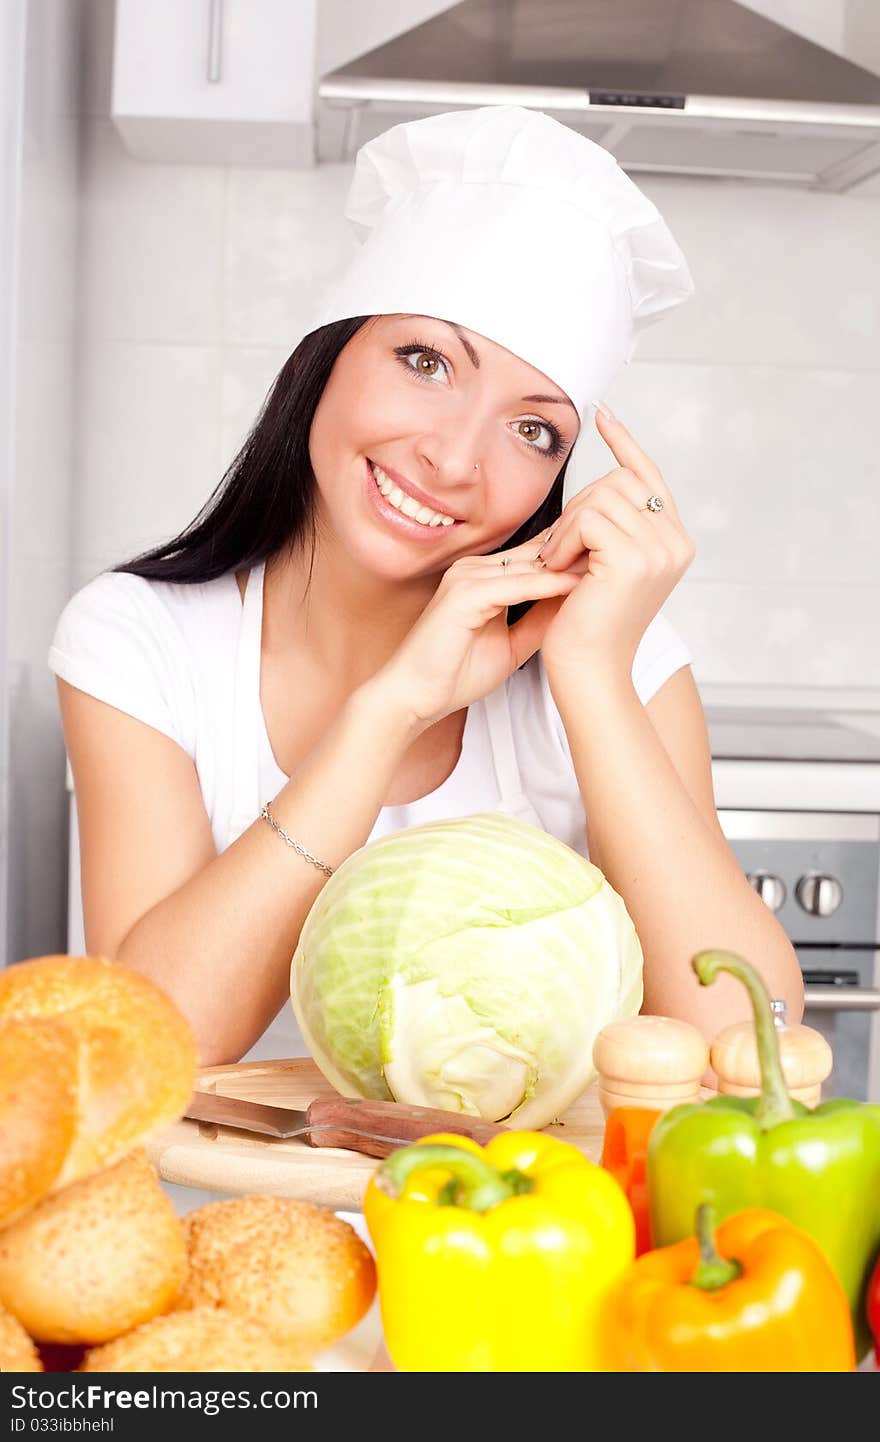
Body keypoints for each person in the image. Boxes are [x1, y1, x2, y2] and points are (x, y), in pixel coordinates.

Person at [49, 106, 803, 1068]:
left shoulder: (617, 659)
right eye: (426, 361)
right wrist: (390, 710)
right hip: (230, 1216)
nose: (452, 459)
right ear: (327, 357)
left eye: (533, 430)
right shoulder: (140, 643)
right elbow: (151, 1043)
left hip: (534, 1217)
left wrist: (594, 681)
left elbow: (745, 1049)